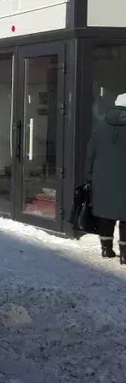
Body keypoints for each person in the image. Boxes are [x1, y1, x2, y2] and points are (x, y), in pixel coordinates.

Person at [85, 92, 126, 262]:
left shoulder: (100, 125)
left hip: (101, 176)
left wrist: (88, 175)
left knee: (105, 213)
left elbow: (90, 153)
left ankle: (106, 249)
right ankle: (124, 254)